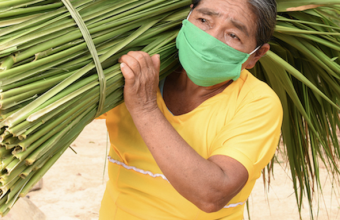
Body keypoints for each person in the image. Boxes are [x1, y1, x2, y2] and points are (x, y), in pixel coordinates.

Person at [97, 0, 282, 219]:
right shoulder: (139, 72)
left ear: (256, 55)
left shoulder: (257, 103)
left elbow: (212, 194)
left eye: (233, 35)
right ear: (187, 16)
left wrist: (145, 108)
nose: (210, 40)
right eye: (203, 21)